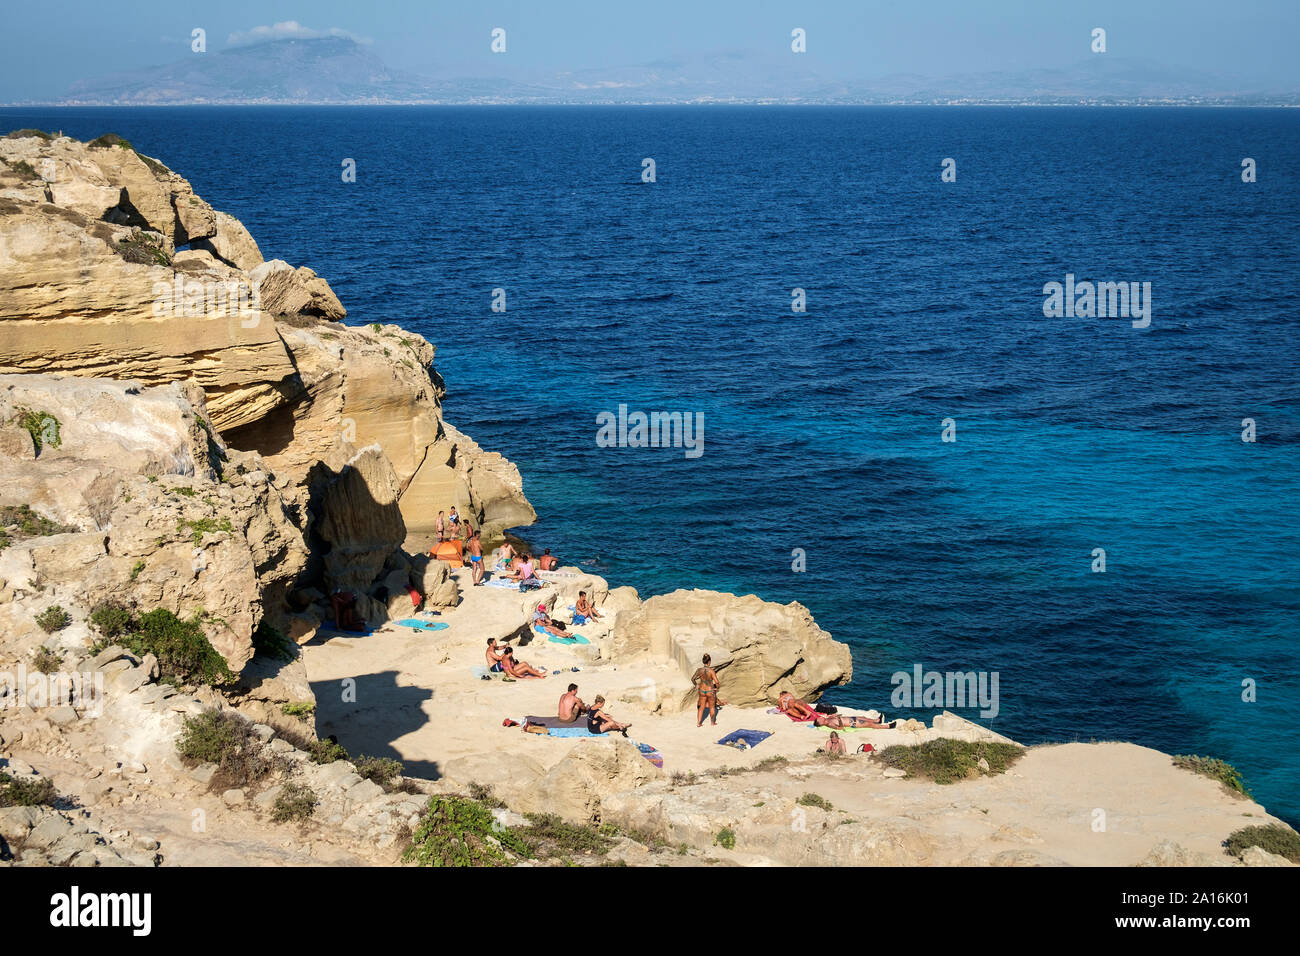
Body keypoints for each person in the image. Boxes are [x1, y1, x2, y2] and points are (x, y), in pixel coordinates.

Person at [692, 654, 720, 728]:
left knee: (701, 707)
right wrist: (717, 688)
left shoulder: (699, 670)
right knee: (712, 707)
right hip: (710, 691)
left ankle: (699, 723)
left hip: (702, 690)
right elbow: (717, 682)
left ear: (703, 661)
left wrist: (696, 685)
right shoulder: (711, 671)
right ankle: (712, 723)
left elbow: (693, 679)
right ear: (709, 662)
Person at [815, 712, 897, 730]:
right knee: (869, 724)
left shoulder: (828, 719)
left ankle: (877, 720)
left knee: (863, 717)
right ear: (821, 723)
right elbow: (840, 728)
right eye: (820, 719)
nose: (821, 718)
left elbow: (834, 717)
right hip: (852, 723)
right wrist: (839, 719)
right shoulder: (829, 724)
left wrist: (834, 716)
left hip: (851, 718)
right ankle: (888, 726)